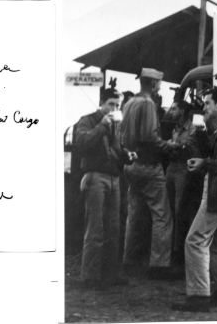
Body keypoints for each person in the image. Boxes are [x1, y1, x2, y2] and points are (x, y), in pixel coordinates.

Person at [171, 88, 217, 312]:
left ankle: (198, 296)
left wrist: (204, 163)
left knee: (195, 240)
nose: (204, 108)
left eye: (207, 103)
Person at [120, 68, 182, 279]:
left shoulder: (129, 103)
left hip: (131, 165)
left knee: (135, 214)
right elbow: (149, 137)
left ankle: (129, 261)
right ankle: (159, 266)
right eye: (159, 84)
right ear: (154, 84)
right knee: (162, 216)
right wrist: (170, 145)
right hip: (148, 165)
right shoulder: (148, 104)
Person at [75, 88, 132, 289]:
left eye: (117, 105)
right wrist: (101, 126)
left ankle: (109, 273)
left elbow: (115, 148)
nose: (114, 108)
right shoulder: (88, 120)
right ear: (101, 102)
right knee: (95, 228)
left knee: (113, 228)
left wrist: (126, 155)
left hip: (112, 178)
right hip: (95, 176)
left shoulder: (113, 126)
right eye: (111, 104)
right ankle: (89, 276)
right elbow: (81, 144)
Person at [165, 100, 194, 266]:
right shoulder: (175, 128)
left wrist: (175, 146)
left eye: (174, 108)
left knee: (179, 210)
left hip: (183, 169)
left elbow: (190, 147)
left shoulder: (192, 129)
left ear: (182, 111)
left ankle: (177, 251)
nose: (170, 111)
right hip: (172, 168)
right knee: (169, 210)